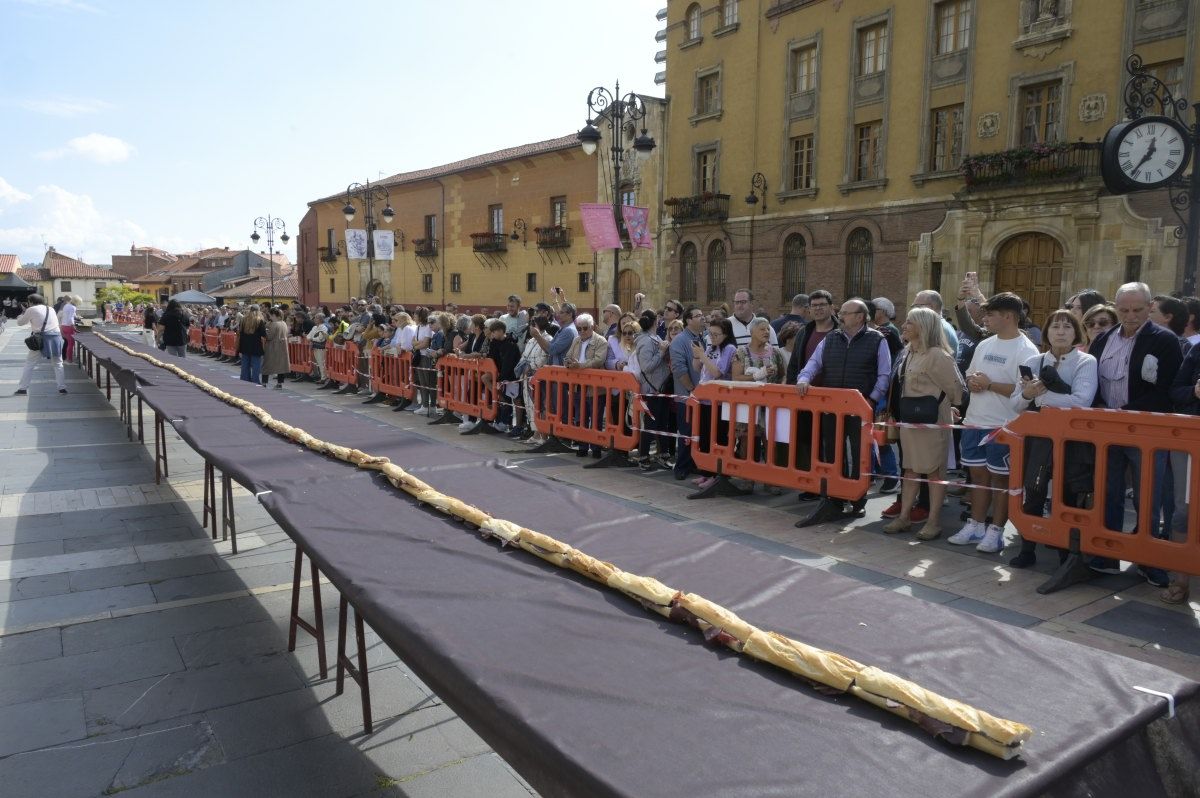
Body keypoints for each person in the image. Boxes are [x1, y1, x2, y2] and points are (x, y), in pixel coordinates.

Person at [1088, 282, 1183, 585]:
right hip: (1107, 432)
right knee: (1108, 492)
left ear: (1149, 306)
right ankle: (1108, 553)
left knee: (1147, 497)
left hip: (1145, 433)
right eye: (1124, 310)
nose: (1130, 316)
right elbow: (1093, 382)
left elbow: (1166, 390)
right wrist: (1101, 409)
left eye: (1138, 310)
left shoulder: (1164, 340)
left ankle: (1148, 558)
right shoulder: (1102, 340)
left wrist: (1123, 413)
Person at [947, 293, 1041, 554]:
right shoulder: (985, 344)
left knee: (1001, 481)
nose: (985, 319)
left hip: (1004, 426)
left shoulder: (1027, 350)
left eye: (990, 314)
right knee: (977, 477)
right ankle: (975, 525)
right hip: (975, 421)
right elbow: (970, 374)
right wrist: (973, 382)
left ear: (1008, 316)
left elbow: (1025, 391)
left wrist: (989, 384)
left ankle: (996, 532)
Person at [1010, 310, 1098, 567]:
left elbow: (1082, 402)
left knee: (1067, 494)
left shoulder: (1086, 361)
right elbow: (1016, 405)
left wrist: (1039, 398)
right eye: (1055, 326)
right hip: (1039, 438)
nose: (1060, 332)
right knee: (1034, 491)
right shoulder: (1034, 360)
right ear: (1046, 331)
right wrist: (1026, 395)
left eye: (1067, 327)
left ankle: (1065, 554)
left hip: (1072, 440)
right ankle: (1027, 548)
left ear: (1076, 332)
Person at [796, 298, 892, 522]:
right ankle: (836, 498)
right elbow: (813, 364)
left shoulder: (877, 340)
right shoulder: (830, 339)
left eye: (846, 313)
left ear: (860, 316)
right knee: (833, 453)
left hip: (861, 410)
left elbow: (884, 375)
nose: (841, 316)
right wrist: (803, 378)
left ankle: (858, 500)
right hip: (832, 408)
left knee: (860, 455)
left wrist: (871, 399)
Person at [882, 307, 963, 539]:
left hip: (932, 422)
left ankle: (933, 522)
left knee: (934, 473)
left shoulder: (938, 355)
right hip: (911, 421)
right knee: (909, 469)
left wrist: (949, 406)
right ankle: (904, 517)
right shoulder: (908, 352)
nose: (904, 325)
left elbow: (957, 392)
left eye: (910, 322)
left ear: (924, 327)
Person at [1163, 342, 1200, 604]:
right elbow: (1175, 391)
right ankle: (1180, 579)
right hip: (1191, 440)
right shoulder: (1196, 351)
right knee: (1184, 509)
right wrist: (1196, 390)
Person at [13, 294, 67, 395]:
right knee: (58, 364)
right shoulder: (50, 308)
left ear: (31, 302)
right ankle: (62, 388)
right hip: (56, 337)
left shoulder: (31, 309)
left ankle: (23, 388)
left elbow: (20, 323)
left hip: (41, 339)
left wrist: (21, 315)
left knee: (30, 363)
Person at [235, 305, 267, 384]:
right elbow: (263, 334)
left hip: (244, 345)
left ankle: (244, 379)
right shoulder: (259, 320)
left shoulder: (243, 319)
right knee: (256, 364)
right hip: (256, 345)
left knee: (245, 364)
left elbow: (240, 332)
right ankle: (255, 381)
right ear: (258, 311)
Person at [262, 308, 290, 389]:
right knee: (281, 365)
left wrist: (265, 330)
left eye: (270, 315)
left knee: (266, 365)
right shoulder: (284, 323)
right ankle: (280, 383)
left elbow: (269, 336)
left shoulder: (273, 324)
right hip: (283, 346)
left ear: (274, 315)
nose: (270, 317)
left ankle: (264, 382)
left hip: (272, 346)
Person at [58, 295, 78, 362]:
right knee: (70, 344)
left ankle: (66, 358)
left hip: (63, 326)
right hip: (69, 326)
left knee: (67, 343)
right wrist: (73, 326)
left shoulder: (66, 305)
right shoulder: (73, 307)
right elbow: (70, 318)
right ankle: (69, 359)